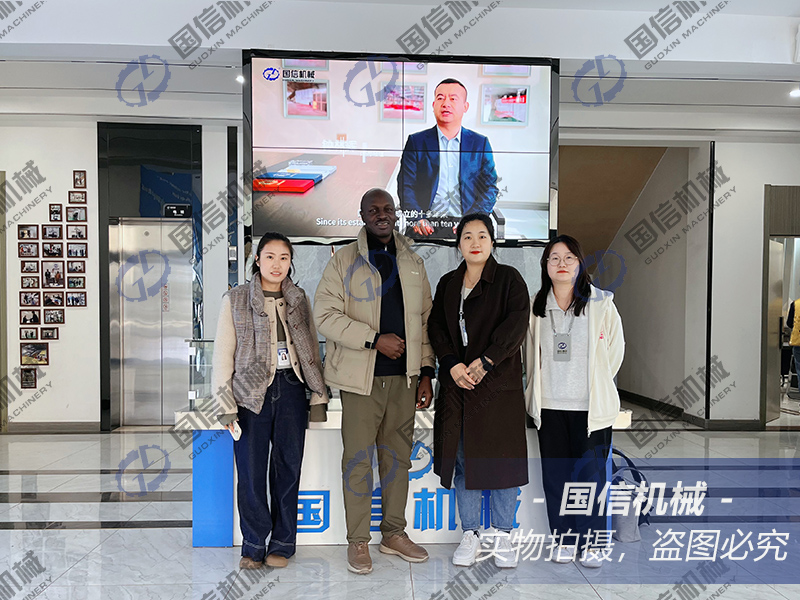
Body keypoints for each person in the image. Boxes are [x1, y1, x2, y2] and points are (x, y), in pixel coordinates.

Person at [314, 188, 435, 575]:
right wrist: (374, 339)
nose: (381, 214)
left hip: (404, 380)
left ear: (396, 214)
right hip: (359, 381)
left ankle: (394, 534)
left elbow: (426, 322)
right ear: (362, 215)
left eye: (387, 209)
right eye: (373, 209)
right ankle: (358, 540)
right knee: (358, 462)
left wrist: (426, 372)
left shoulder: (413, 261)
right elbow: (325, 315)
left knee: (398, 461)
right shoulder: (343, 261)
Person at [212, 231, 329, 570]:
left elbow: (310, 350)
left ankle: (282, 543)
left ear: (290, 262)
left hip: (291, 389)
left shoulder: (298, 298)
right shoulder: (235, 299)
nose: (277, 264)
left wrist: (317, 395)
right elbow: (223, 355)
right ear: (257, 259)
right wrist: (226, 405)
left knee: (288, 468)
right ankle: (253, 545)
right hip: (250, 395)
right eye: (270, 257)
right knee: (251, 473)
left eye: (284, 258)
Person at [427, 213, 530, 568]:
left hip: (497, 387)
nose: (475, 242)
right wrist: (450, 363)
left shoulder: (509, 279)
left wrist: (487, 361)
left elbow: (517, 324)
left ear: (492, 241)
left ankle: (502, 535)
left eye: (482, 235)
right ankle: (469, 533)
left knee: (503, 461)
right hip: (458, 385)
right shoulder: (448, 283)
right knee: (463, 460)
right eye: (468, 236)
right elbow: (436, 327)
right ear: (458, 243)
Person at [523, 235, 625, 569]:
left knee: (591, 479)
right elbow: (529, 356)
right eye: (554, 258)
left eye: (569, 257)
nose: (562, 264)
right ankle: (564, 540)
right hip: (550, 407)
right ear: (546, 266)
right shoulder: (537, 306)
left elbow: (614, 353)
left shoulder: (601, 304)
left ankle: (593, 542)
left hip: (589, 410)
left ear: (580, 263)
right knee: (556, 478)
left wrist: (596, 384)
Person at [397, 78, 499, 237]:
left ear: (465, 107)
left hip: (467, 224)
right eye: (440, 98)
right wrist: (417, 218)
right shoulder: (416, 142)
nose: (446, 103)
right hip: (425, 224)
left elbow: (490, 188)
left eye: (453, 99)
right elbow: (405, 185)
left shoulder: (480, 143)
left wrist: (471, 220)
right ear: (433, 105)